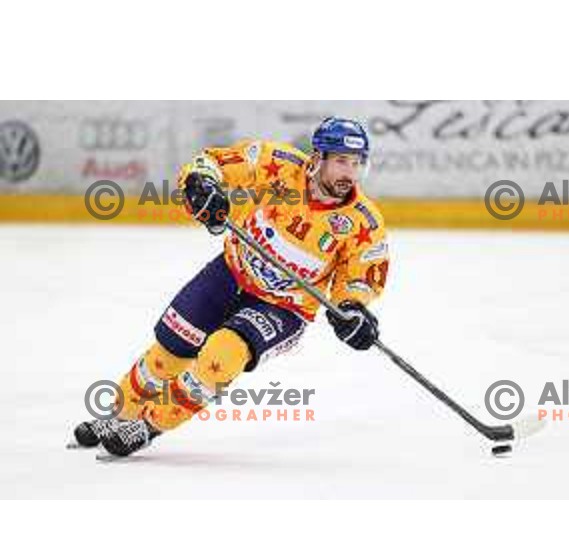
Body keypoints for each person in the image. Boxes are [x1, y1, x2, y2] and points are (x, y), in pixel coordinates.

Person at [72, 117, 390, 457]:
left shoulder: (363, 223)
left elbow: (361, 276)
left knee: (222, 356)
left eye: (357, 163)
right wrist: (201, 183)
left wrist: (353, 308)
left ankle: (149, 425)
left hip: (284, 308)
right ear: (319, 157)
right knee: (168, 354)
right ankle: (121, 415)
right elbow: (212, 163)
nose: (350, 173)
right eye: (342, 161)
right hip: (231, 272)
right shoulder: (277, 165)